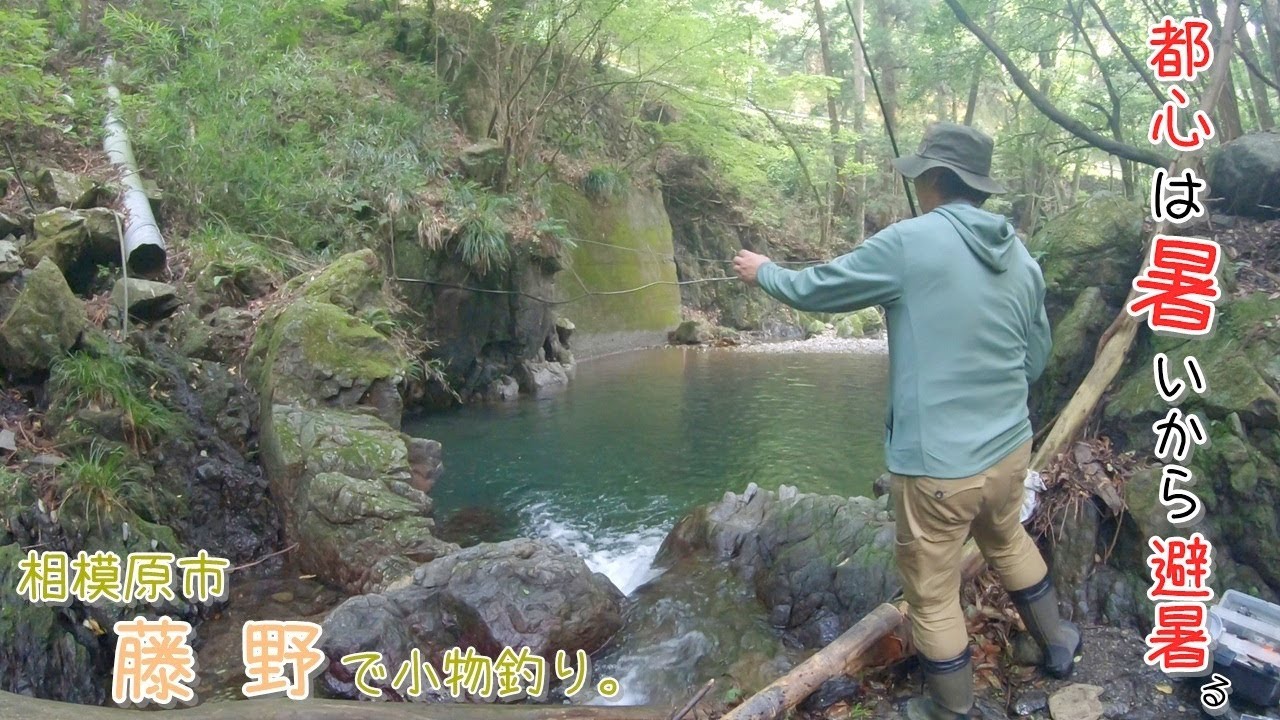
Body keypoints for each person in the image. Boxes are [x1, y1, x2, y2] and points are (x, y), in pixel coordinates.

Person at [732, 122, 1082, 720]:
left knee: (933, 589)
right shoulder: (1022, 259)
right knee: (1007, 537)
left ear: (936, 180)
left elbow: (816, 289)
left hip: (940, 466)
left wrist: (762, 269)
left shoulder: (907, 243)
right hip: (1011, 449)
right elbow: (1035, 360)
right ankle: (1058, 644)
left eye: (921, 175)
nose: (917, 185)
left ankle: (951, 708)